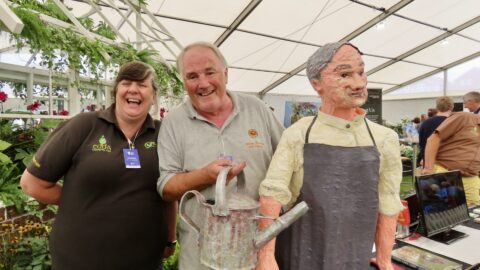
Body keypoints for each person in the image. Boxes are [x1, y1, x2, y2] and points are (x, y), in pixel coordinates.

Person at [256, 42, 404, 270]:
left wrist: (384, 260)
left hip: (355, 254)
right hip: (300, 252)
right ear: (317, 84)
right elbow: (272, 196)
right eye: (344, 74)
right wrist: (266, 256)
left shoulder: (384, 138)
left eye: (361, 72)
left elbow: (388, 203)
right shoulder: (299, 134)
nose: (358, 83)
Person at [20, 61, 177, 270]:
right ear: (115, 91)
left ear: (154, 96)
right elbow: (32, 183)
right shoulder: (84, 125)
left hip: (144, 258)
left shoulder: (164, 134)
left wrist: (170, 238)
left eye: (142, 85)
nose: (133, 89)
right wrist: (83, 199)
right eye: (126, 83)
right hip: (82, 257)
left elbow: (169, 194)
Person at [156, 41, 284, 269]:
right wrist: (205, 175)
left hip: (258, 256)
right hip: (201, 258)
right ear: (184, 82)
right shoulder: (174, 122)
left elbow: (287, 161)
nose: (203, 83)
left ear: (226, 74)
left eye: (210, 72)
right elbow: (166, 188)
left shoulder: (256, 109)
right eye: (192, 76)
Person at [422, 111, 480, 206]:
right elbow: (433, 139)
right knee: (441, 211)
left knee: (473, 212)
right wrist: (428, 168)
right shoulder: (464, 117)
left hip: (470, 176)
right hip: (445, 171)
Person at [417, 96, 453, 165]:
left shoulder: (425, 123)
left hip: (429, 163)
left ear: (437, 108)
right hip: (449, 164)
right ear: (452, 107)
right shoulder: (455, 122)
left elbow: (422, 144)